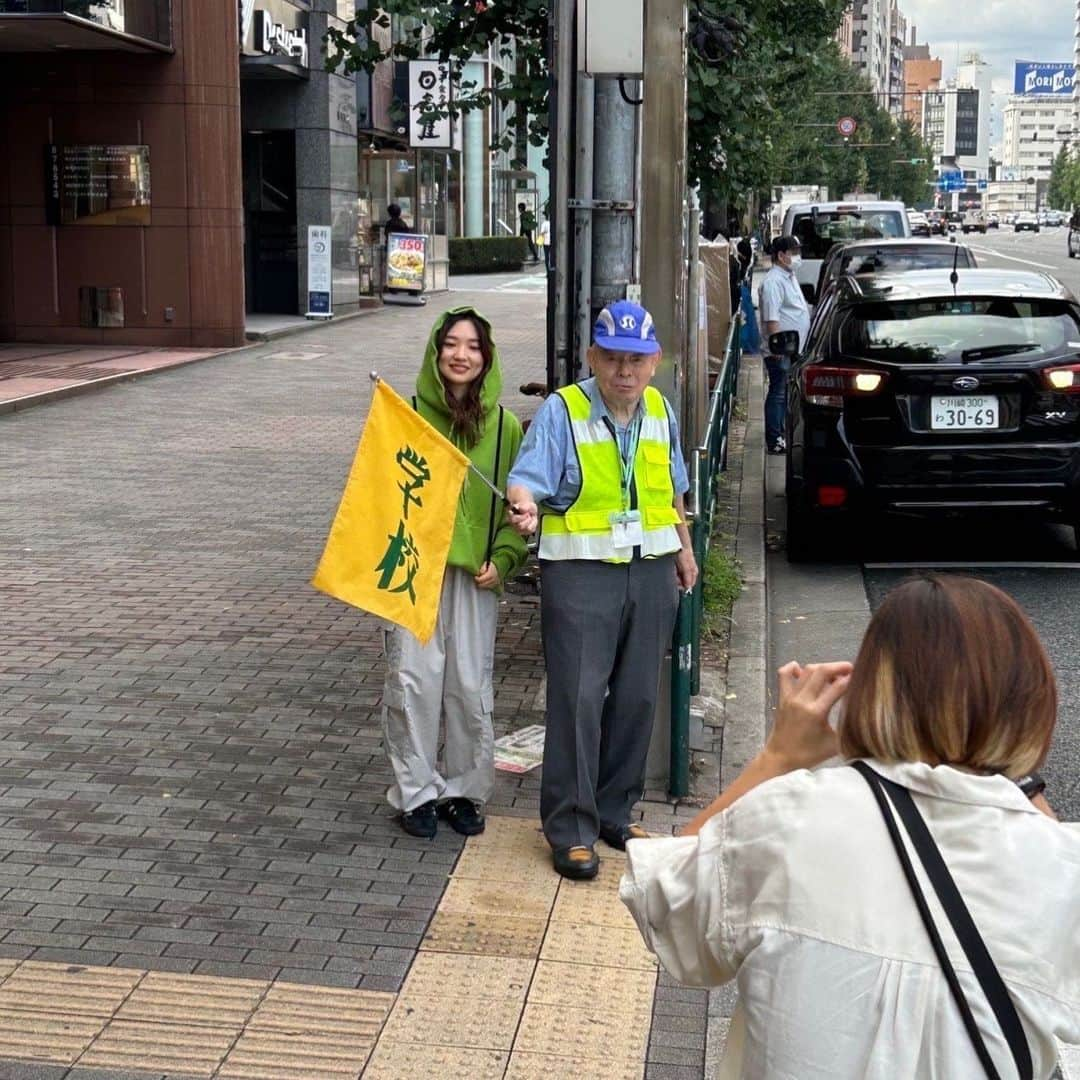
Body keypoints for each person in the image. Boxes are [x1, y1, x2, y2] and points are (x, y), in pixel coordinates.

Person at [621, 574, 1080, 1078]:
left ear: (872, 692)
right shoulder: (1062, 866)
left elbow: (662, 903)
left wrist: (778, 756)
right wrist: (1018, 779)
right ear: (1032, 701)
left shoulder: (785, 820)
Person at [507, 300, 699, 881]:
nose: (624, 370)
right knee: (578, 701)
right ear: (592, 357)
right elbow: (526, 478)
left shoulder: (661, 409)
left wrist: (685, 550)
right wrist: (522, 505)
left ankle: (615, 813)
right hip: (581, 577)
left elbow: (673, 492)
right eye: (612, 358)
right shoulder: (563, 411)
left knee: (638, 698)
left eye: (636, 360)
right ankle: (570, 828)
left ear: (654, 362)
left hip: (651, 570)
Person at [382, 307, 528, 840]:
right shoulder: (408, 416)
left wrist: (506, 558)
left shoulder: (506, 427)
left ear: (486, 358)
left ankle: (464, 791)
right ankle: (415, 792)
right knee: (413, 683)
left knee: (469, 686)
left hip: (475, 578)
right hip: (412, 573)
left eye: (472, 346)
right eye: (450, 343)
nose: (460, 354)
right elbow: (378, 497)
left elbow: (521, 506)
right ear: (435, 351)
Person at [758, 235, 810, 455]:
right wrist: (777, 345)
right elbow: (772, 319)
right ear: (781, 256)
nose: (797, 256)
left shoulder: (789, 276)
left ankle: (781, 433)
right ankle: (775, 438)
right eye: (793, 252)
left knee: (786, 392)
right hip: (781, 350)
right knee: (778, 392)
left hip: (791, 348)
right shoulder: (773, 282)